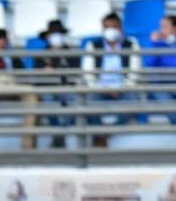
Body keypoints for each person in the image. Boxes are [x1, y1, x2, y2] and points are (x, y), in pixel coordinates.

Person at [81, 12, 142, 147]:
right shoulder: (92, 46)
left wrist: (122, 87)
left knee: (133, 101)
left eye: (113, 27)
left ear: (120, 28)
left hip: (124, 87)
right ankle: (101, 135)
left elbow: (135, 72)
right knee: (88, 101)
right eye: (107, 27)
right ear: (102, 29)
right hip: (99, 87)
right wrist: (100, 87)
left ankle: (104, 135)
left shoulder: (131, 45)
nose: (110, 30)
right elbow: (88, 73)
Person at [34, 19, 80, 146]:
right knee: (48, 100)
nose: (56, 37)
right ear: (47, 37)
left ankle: (62, 133)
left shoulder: (72, 54)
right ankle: (59, 132)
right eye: (53, 33)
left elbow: (76, 74)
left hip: (68, 88)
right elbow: (36, 78)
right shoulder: (41, 56)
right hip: (48, 89)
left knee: (73, 99)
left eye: (58, 33)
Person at [145, 15, 176, 125]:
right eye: (161, 27)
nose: (161, 31)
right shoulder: (158, 45)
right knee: (160, 94)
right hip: (163, 85)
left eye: (164, 27)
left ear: (174, 28)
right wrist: (155, 45)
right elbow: (150, 64)